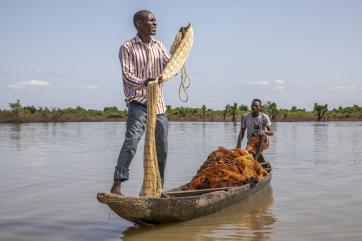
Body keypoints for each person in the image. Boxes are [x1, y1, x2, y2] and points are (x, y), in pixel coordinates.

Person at [110, 10, 183, 195]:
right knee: (132, 142)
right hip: (138, 103)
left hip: (158, 105)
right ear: (139, 24)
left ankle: (158, 188)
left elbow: (171, 65)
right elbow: (127, 76)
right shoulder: (127, 47)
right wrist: (145, 82)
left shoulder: (159, 46)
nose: (155, 23)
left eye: (155, 20)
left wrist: (181, 41)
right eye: (151, 20)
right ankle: (117, 185)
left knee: (162, 147)